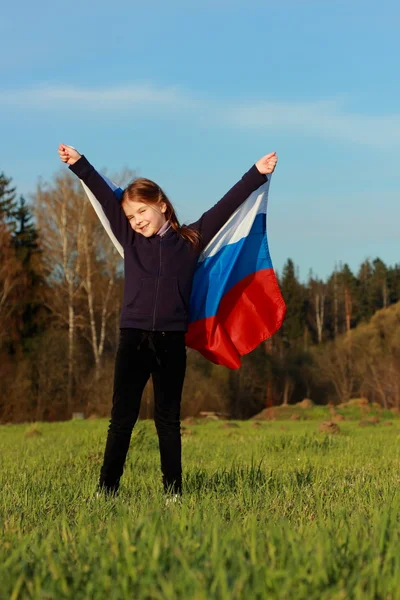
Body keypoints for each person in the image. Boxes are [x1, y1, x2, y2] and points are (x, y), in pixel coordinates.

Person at [58, 143, 278, 498]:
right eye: (130, 216)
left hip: (171, 343)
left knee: (168, 421)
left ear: (161, 205)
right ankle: (106, 491)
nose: (137, 220)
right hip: (133, 338)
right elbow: (101, 192)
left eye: (142, 211)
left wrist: (256, 173)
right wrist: (79, 164)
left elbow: (226, 204)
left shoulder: (192, 239)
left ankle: (173, 493)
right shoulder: (130, 241)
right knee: (122, 420)